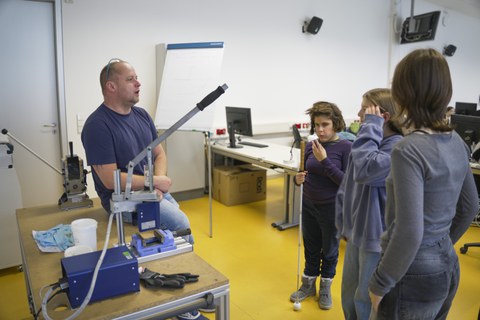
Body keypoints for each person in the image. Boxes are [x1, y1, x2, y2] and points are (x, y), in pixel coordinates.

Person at [81, 58, 208, 320]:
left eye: (137, 77)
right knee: (181, 224)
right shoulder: (97, 125)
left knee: (174, 220)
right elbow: (108, 179)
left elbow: (159, 152)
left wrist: (157, 181)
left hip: (150, 192)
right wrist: (153, 184)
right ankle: (187, 304)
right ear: (111, 86)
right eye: (130, 79)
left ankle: (180, 288)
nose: (139, 83)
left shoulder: (141, 115)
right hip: (123, 200)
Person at [368, 48, 479, 319]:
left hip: (411, 271)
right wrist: (439, 247)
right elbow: (470, 206)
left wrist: (380, 283)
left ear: (405, 92)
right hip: (447, 264)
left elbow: (408, 231)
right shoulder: (456, 142)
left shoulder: (408, 150)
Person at [335, 88, 403, 320]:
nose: (358, 114)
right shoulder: (367, 143)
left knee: (364, 298)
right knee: (348, 292)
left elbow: (366, 171)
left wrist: (371, 126)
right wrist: (344, 222)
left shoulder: (397, 147)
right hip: (356, 232)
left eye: (364, 109)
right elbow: (349, 184)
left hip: (375, 239)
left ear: (382, 117)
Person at [290, 101, 352, 310]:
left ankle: (325, 287)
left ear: (336, 124)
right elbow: (305, 173)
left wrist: (325, 161)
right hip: (309, 204)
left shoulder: (346, 147)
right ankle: (308, 285)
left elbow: (346, 182)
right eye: (316, 125)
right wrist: (297, 179)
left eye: (325, 124)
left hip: (331, 207)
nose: (320, 130)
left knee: (330, 250)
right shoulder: (310, 145)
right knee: (311, 246)